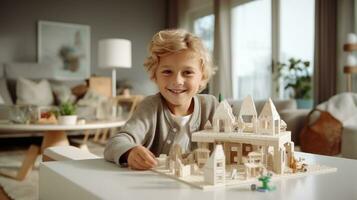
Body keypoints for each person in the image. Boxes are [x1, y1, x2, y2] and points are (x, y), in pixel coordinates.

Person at [104, 29, 218, 170]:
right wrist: (129, 152)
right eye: (167, 72)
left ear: (202, 76)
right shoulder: (150, 107)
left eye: (187, 72)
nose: (177, 81)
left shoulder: (211, 105)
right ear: (155, 75)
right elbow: (114, 143)